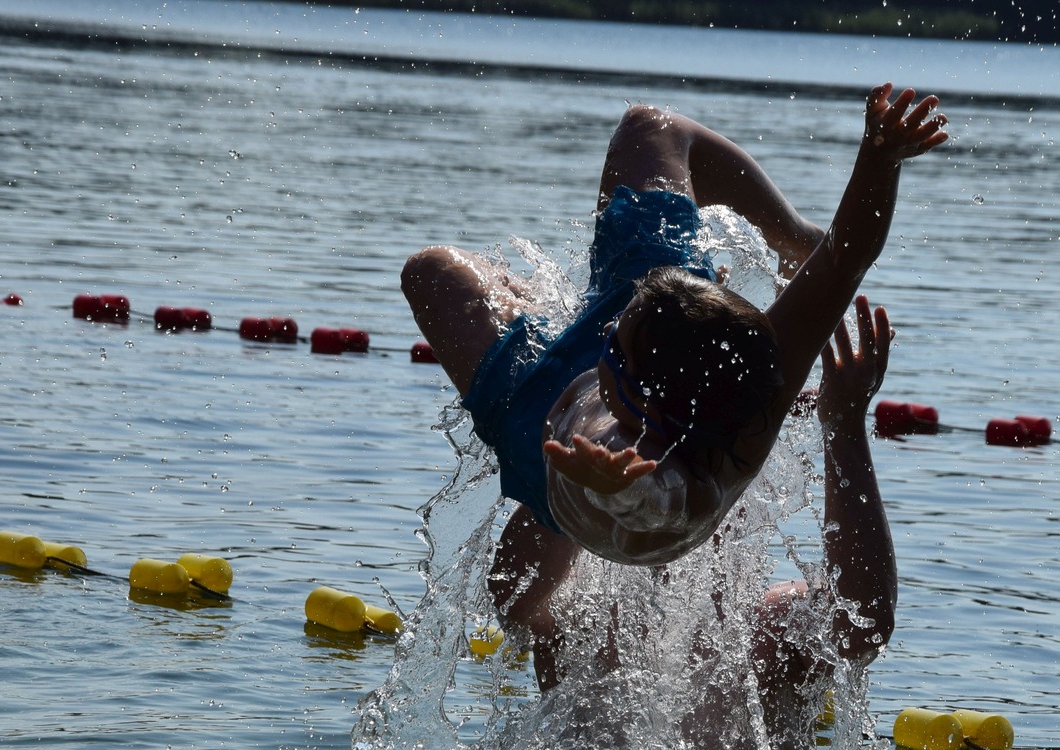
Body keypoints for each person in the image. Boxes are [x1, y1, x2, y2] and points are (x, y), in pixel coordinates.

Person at [400, 85, 945, 584]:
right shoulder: (754, 361)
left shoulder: (672, 482)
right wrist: (880, 158)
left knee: (427, 272)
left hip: (537, 423)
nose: (607, 327)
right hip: (661, 305)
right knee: (651, 127)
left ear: (645, 401)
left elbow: (653, 500)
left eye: (614, 339)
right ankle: (789, 236)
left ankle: (548, 326)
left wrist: (611, 485)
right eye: (620, 323)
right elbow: (846, 260)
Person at [492, 295, 899, 750]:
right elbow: (512, 598)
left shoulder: (767, 632)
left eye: (720, 481)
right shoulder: (585, 617)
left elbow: (864, 623)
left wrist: (844, 427)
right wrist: (577, 483)